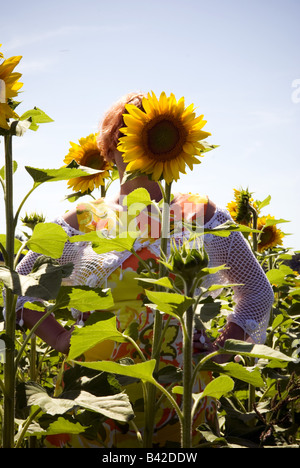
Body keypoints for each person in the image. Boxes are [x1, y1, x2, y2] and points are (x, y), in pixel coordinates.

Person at [14, 91, 274, 447]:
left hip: (182, 391)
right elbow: (20, 287)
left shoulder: (200, 213)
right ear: (109, 148)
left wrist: (223, 347)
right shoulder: (84, 218)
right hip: (95, 394)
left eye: (144, 134)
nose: (137, 146)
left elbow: (256, 289)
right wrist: (59, 337)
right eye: (126, 135)